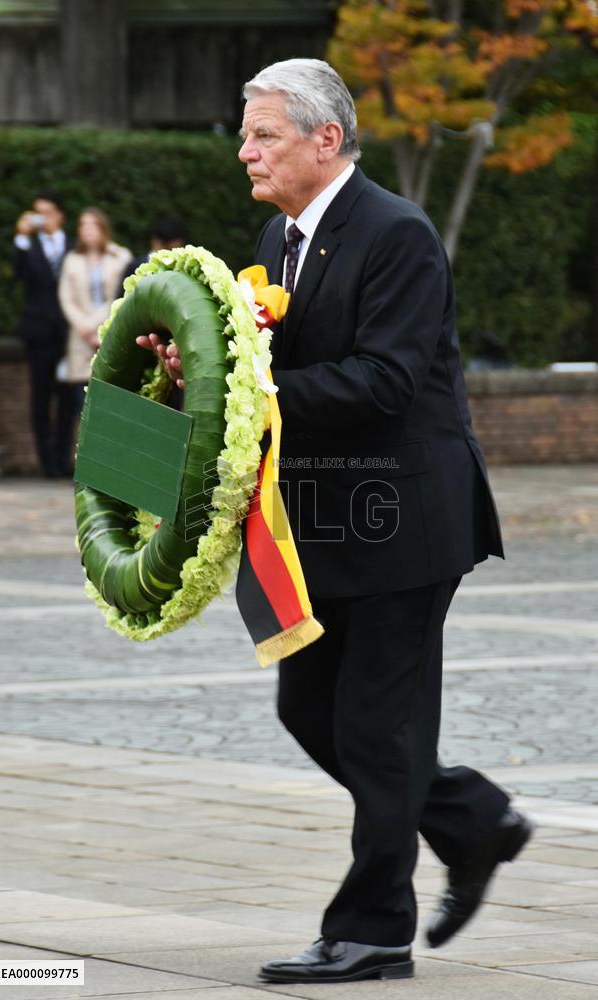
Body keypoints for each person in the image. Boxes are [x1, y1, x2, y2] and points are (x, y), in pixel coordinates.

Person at [139, 58, 533, 985]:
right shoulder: (274, 240)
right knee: (311, 707)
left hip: (407, 519)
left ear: (327, 138)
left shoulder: (397, 232)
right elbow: (261, 374)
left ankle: (372, 930)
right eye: (245, 135)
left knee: (375, 725)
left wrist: (244, 386)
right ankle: (473, 820)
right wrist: (190, 373)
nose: (245, 151)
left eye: (263, 134)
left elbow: (385, 383)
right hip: (322, 524)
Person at [14, 190, 75, 477]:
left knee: (67, 400)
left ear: (59, 215)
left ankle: (63, 459)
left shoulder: (73, 247)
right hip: (39, 333)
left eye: (47, 213)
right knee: (40, 398)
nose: (42, 219)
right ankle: (46, 462)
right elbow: (19, 275)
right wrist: (22, 239)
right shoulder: (29, 247)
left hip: (67, 334)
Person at [58, 208, 132, 412]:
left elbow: (121, 294)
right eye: (83, 224)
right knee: (83, 406)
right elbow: (66, 297)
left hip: (111, 330)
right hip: (80, 338)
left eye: (93, 224)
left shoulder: (121, 256)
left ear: (103, 227)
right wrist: (82, 325)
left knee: (112, 399)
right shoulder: (72, 259)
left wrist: (93, 325)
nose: (87, 229)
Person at [117, 216, 189, 296]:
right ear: (155, 241)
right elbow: (122, 298)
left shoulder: (184, 268)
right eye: (164, 246)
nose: (166, 252)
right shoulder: (135, 266)